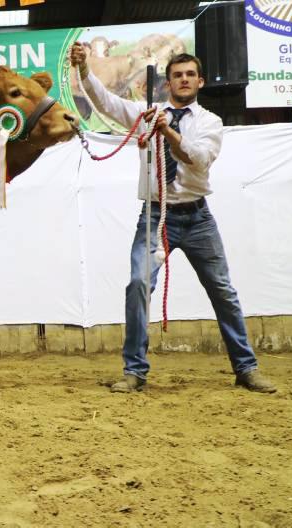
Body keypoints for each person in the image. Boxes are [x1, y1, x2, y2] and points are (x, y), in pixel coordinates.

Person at [69, 42, 276, 393]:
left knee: (223, 291)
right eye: (177, 75)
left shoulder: (210, 122)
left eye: (189, 75)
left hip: (197, 218)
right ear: (168, 83)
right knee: (138, 286)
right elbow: (105, 102)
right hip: (154, 216)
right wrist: (85, 70)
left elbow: (197, 157)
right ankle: (134, 372)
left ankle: (246, 368)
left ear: (200, 82)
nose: (183, 80)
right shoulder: (145, 113)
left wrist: (166, 131)